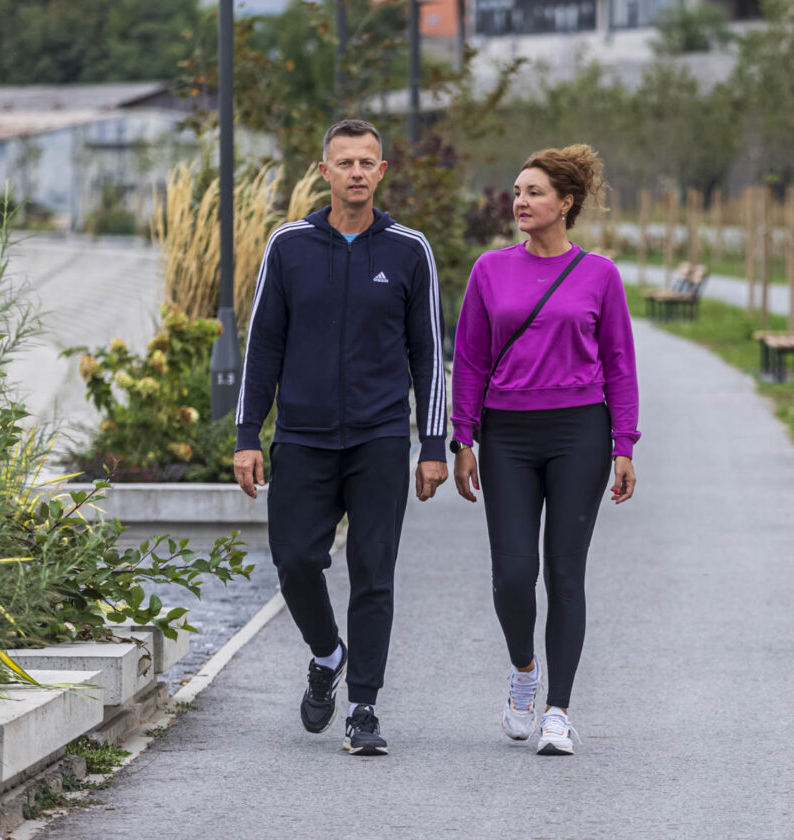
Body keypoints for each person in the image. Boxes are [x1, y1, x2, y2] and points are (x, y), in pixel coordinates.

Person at [233, 119, 449, 756]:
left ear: (382, 173)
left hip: (381, 435)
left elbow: (429, 354)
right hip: (301, 435)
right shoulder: (288, 245)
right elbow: (262, 347)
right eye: (345, 162)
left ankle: (363, 708)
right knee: (296, 560)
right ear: (323, 172)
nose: (357, 172)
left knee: (373, 571)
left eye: (368, 162)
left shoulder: (409, 249)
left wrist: (432, 445)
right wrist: (249, 434)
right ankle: (328, 654)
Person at [449, 144, 639, 756]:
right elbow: (471, 358)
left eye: (534, 192)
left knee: (564, 572)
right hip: (507, 435)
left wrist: (624, 443)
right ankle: (524, 672)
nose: (520, 201)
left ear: (566, 203)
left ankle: (558, 711)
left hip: (579, 433)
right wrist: (462, 437)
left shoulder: (600, 275)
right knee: (512, 574)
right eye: (517, 191)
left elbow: (619, 364)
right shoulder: (489, 271)